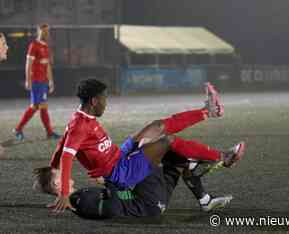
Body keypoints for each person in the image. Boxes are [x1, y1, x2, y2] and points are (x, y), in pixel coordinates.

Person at [33, 79, 246, 214]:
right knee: (167, 142)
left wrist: (53, 167)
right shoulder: (80, 125)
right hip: (121, 173)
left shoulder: (80, 118)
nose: (107, 103)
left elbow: (62, 145)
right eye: (104, 99)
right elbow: (68, 155)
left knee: (157, 126)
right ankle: (224, 157)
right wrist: (62, 193)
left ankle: (208, 111)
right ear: (94, 101)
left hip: (119, 156)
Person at [14, 24, 60, 141]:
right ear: (38, 32)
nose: (46, 34)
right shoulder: (34, 45)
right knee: (35, 106)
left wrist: (51, 81)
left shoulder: (46, 47)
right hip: (35, 81)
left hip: (43, 82)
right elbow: (28, 64)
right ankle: (18, 129)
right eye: (44, 31)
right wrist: (28, 80)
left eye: (47, 32)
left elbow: (48, 65)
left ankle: (49, 133)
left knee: (43, 107)